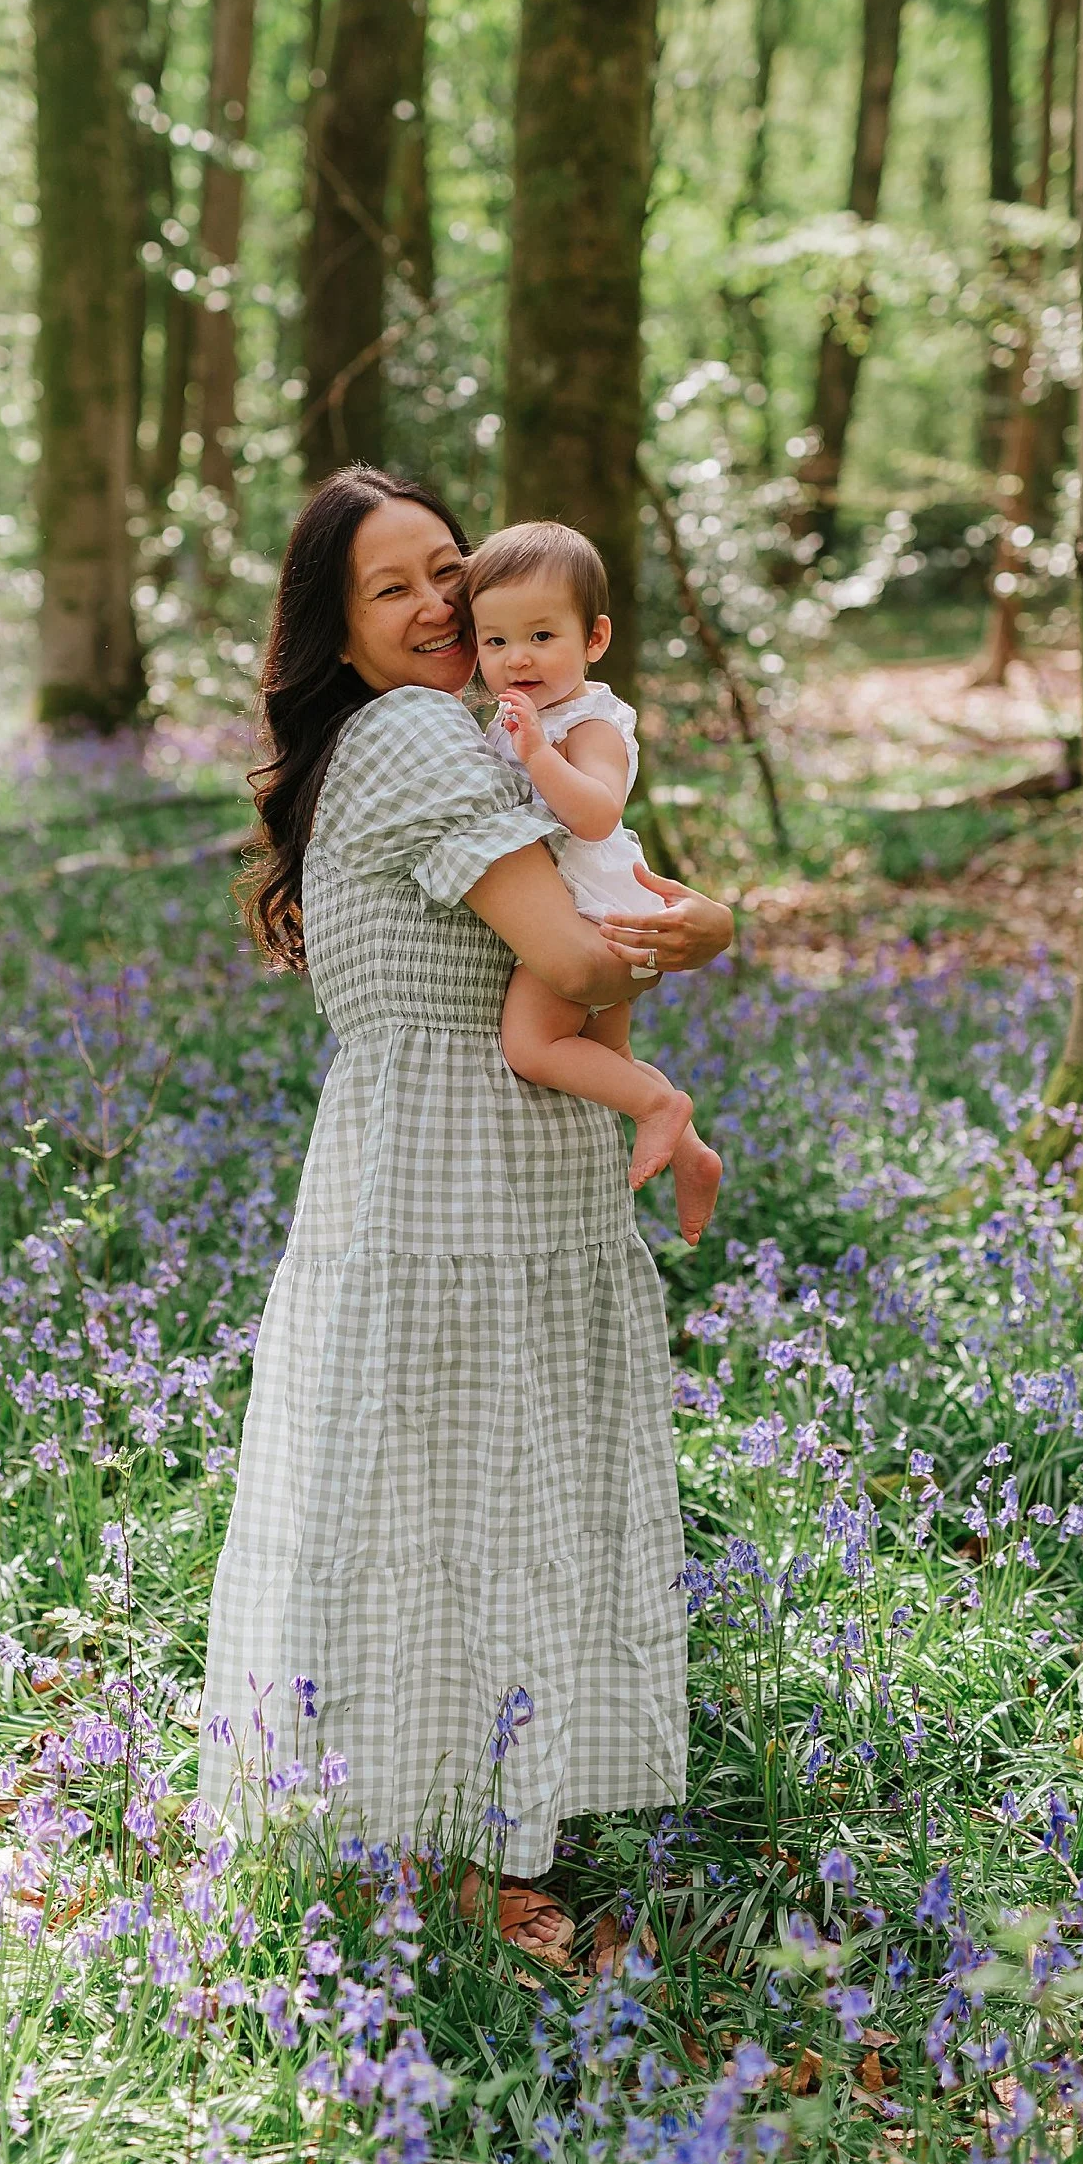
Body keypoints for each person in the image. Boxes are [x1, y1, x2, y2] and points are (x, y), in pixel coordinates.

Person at [197, 467, 734, 1952]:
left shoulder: (478, 733)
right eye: (393, 590)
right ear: (343, 637)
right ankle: (443, 1852)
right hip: (455, 1170)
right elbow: (583, 956)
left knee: (480, 1495)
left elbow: (583, 884)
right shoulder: (416, 736)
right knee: (445, 1502)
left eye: (448, 567)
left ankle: (484, 1822)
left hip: (496, 1155)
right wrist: (722, 927)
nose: (439, 604)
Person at [466, 520, 724, 1244]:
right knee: (604, 1055)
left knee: (533, 1045)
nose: (518, 658)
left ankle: (656, 1109)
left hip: (595, 912)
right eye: (496, 641)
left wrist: (540, 753)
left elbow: (597, 812)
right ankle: (694, 1154)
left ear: (595, 640)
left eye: (542, 637)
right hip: (593, 909)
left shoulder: (590, 724)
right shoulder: (526, 718)